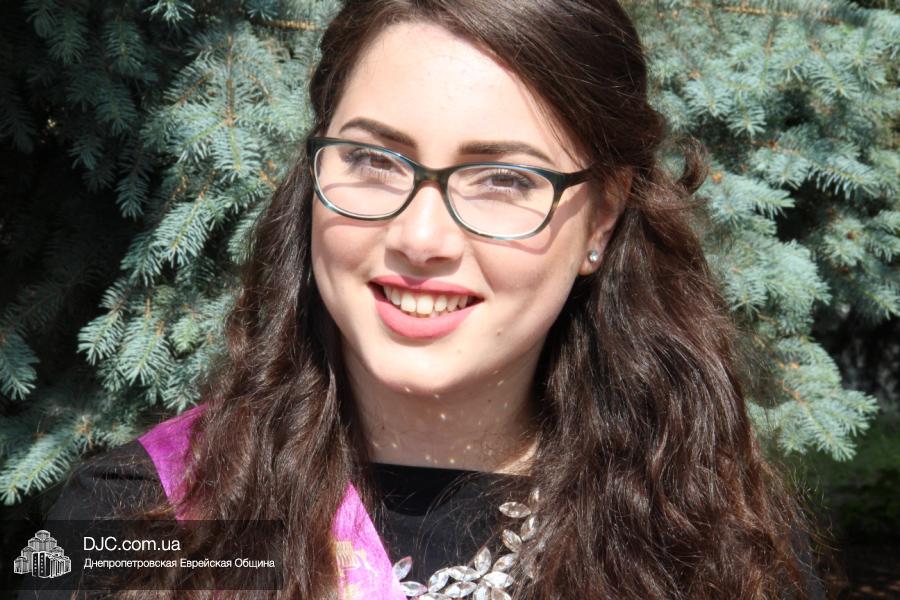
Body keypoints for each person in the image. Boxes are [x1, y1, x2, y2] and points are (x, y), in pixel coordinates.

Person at [21, 0, 827, 598]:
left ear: (602, 218)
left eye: (504, 178)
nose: (422, 237)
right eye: (374, 161)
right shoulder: (136, 527)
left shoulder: (714, 549)